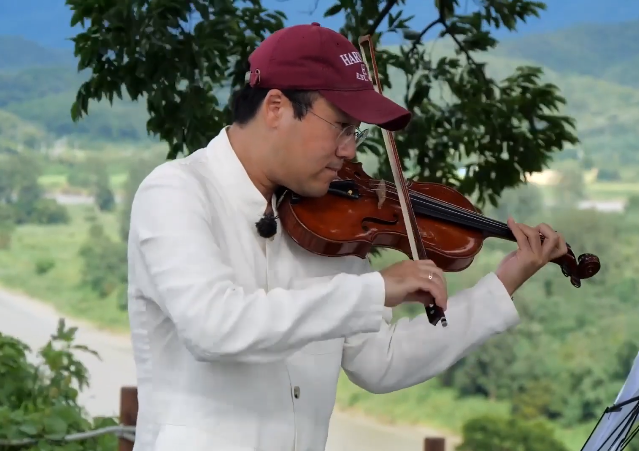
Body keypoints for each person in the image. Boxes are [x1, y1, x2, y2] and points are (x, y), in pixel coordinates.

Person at [126, 22, 567, 451]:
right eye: (341, 126)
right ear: (276, 108)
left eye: (355, 132)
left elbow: (381, 361)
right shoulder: (175, 192)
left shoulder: (327, 222)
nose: (350, 150)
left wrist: (503, 283)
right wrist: (375, 289)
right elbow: (213, 327)